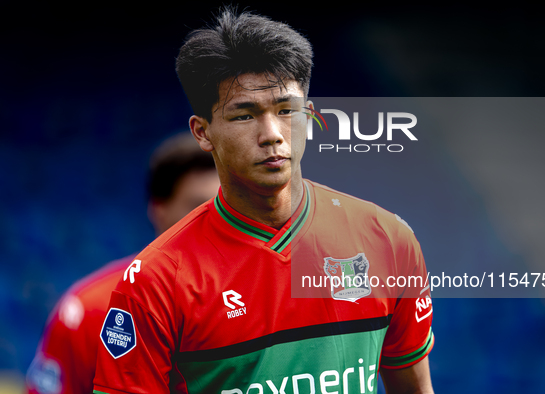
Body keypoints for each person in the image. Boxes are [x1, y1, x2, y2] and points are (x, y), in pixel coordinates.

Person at [93, 8, 434, 394]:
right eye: (244, 115)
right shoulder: (156, 281)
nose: (272, 133)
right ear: (202, 132)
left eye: (287, 110)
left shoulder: (387, 239)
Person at [24, 133, 219, 394]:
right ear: (158, 210)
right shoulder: (90, 311)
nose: (215, 219)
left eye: (225, 205)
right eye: (198, 206)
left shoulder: (276, 291)